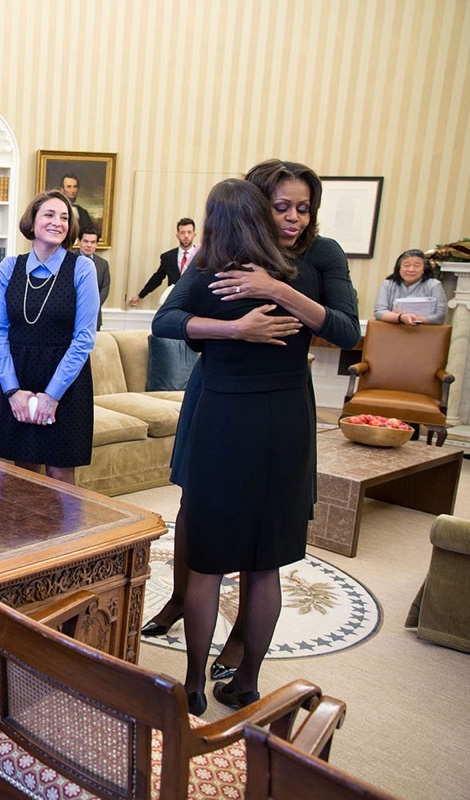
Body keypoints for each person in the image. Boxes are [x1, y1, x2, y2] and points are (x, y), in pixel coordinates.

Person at [149, 161, 360, 712]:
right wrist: (234, 328)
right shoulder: (220, 264)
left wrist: (274, 289)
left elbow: (346, 330)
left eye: (303, 207)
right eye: (282, 206)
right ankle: (225, 680)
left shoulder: (317, 257)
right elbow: (168, 321)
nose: (293, 217)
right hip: (248, 412)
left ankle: (211, 681)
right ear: (258, 205)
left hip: (267, 415)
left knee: (231, 558)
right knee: (237, 556)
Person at [0, 190, 98, 485]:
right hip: (18, 378)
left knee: (60, 473)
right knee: (23, 472)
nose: (58, 222)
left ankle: (70, 535)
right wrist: (12, 391)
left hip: (67, 384)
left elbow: (84, 339)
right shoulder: (9, 268)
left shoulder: (82, 268)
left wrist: (52, 395)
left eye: (64, 217)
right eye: (49, 215)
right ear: (33, 221)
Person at [128, 218, 196, 306]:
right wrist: (140, 296)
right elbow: (157, 278)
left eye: (189, 232)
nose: (186, 236)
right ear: (177, 235)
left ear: (194, 235)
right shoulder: (168, 257)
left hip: (195, 302)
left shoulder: (202, 257)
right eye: (182, 232)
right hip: (174, 302)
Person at [374, 249, 447, 325]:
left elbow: (440, 316)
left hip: (424, 332)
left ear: (424, 269)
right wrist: (401, 317)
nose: (411, 270)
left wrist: (410, 319)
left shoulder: (433, 285)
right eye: (406, 265)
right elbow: (379, 312)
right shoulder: (388, 284)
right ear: (399, 268)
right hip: (393, 331)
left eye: (416, 266)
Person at [73, 227, 110, 330]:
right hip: (71, 314)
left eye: (93, 242)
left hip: (94, 316)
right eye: (86, 241)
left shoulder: (103, 264)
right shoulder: (68, 260)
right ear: (79, 242)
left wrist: (91, 305)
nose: (89, 245)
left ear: (97, 244)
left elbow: (105, 288)